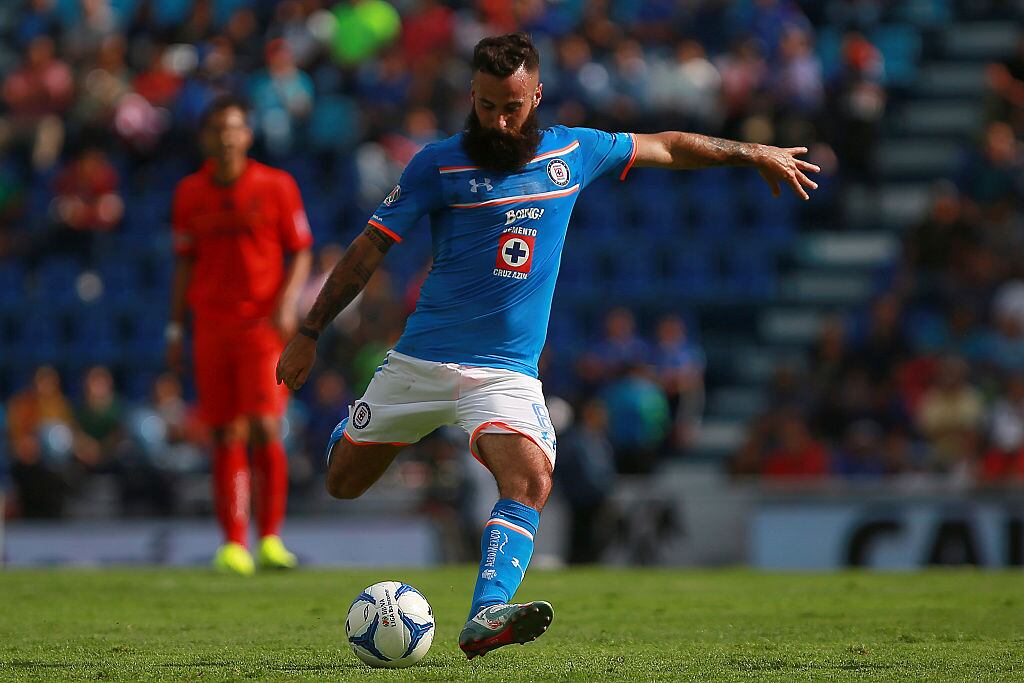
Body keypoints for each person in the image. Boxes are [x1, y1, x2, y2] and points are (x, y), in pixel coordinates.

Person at [276, 33, 818, 658]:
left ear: (536, 95)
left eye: (510, 107)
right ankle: (350, 432)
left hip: (503, 372)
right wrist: (309, 333)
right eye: (484, 106)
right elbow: (366, 253)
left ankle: (487, 613)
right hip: (421, 361)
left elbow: (668, 146)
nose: (498, 121)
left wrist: (752, 152)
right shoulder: (438, 165)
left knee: (531, 478)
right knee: (342, 482)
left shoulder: (573, 151)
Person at [168, 95, 313, 576]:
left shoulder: (276, 186)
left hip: (261, 327)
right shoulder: (190, 193)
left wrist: (289, 301)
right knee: (224, 430)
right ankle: (234, 543)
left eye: (234, 128)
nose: (226, 137)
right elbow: (185, 262)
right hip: (211, 325)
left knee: (266, 426)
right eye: (218, 130)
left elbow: (301, 251)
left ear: (247, 135)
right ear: (207, 138)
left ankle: (270, 538)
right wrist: (175, 326)